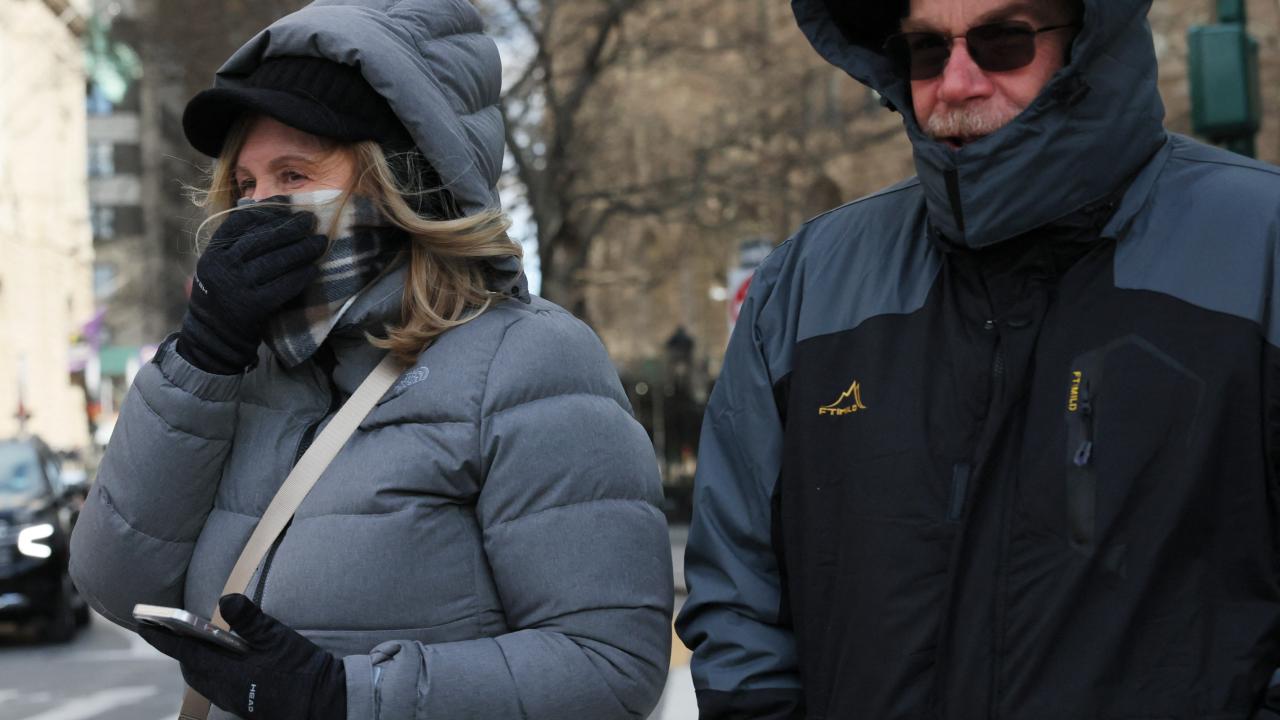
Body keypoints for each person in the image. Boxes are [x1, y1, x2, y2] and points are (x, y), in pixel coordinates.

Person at [69, 1, 674, 719]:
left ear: (402, 183)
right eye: (248, 186)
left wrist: (345, 696)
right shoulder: (246, 371)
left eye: (294, 175)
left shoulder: (529, 361)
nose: (259, 211)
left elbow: (611, 665)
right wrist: (201, 360)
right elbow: (116, 584)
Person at [676, 0, 1280, 717]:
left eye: (1003, 41)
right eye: (927, 50)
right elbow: (742, 607)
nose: (957, 83)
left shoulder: (1261, 249)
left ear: (1089, 42)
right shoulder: (807, 283)